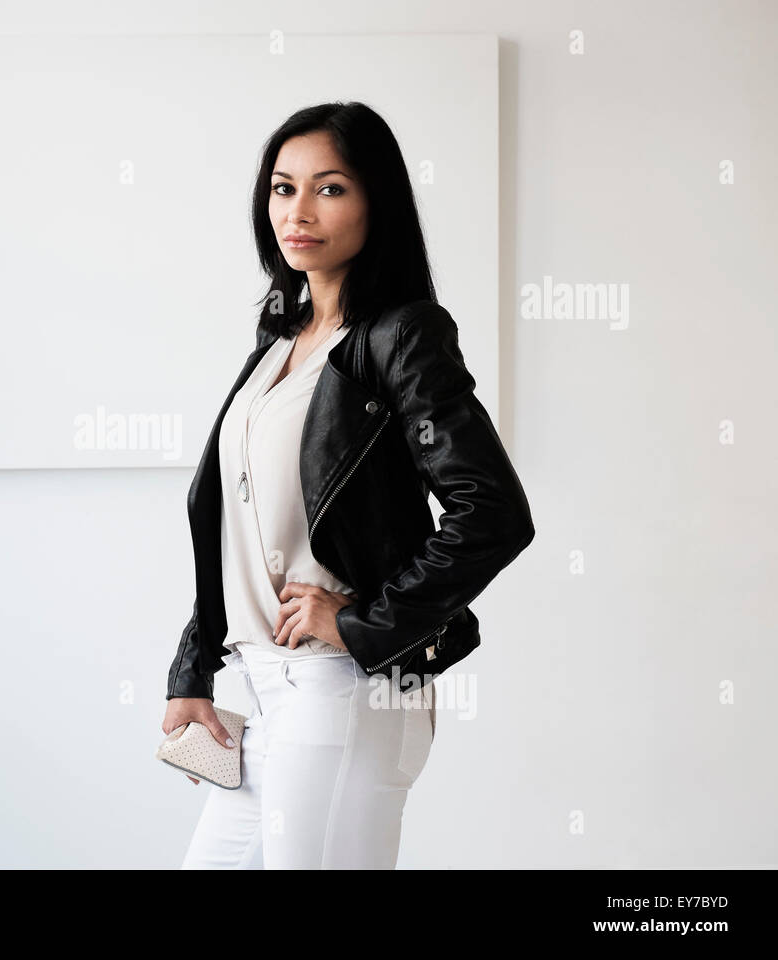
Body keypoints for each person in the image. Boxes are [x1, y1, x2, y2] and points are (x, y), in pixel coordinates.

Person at [161, 101, 535, 869]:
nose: (297, 211)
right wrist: (192, 670)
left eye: (329, 188)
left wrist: (365, 620)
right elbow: (234, 522)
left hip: (342, 688)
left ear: (378, 203)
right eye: (281, 187)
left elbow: (492, 511)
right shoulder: (278, 340)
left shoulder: (401, 335)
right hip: (263, 691)